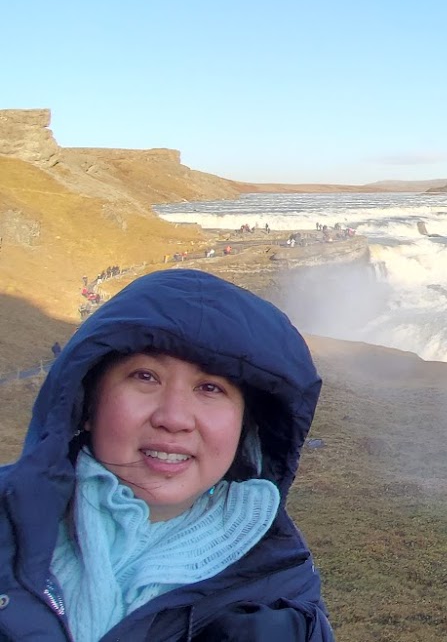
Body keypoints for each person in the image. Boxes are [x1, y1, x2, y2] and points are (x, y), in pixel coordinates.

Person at [0, 269, 334, 641]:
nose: (173, 418)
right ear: (87, 402)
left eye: (210, 387)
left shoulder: (283, 603)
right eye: (145, 377)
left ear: (245, 429)